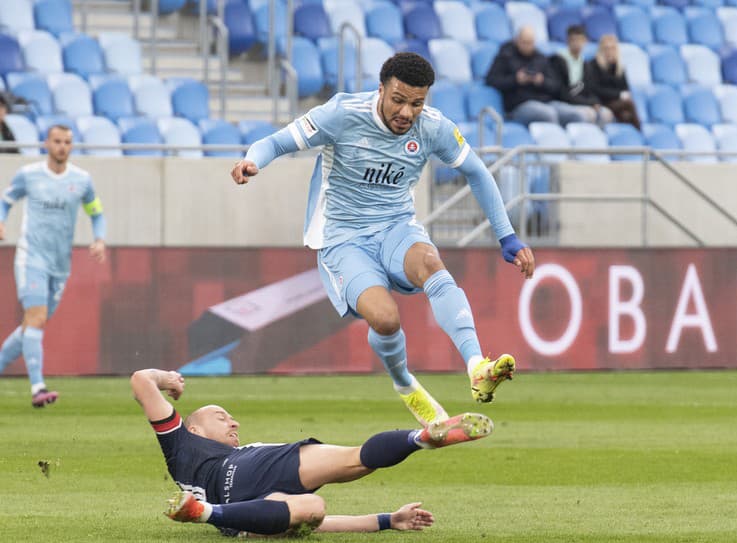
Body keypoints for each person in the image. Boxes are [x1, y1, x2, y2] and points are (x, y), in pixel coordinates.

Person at [231, 53, 535, 428]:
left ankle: (476, 366)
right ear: (381, 90)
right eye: (398, 99)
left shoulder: (434, 127)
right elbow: (277, 142)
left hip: (396, 226)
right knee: (386, 319)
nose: (407, 112)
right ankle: (405, 383)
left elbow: (477, 172)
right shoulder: (342, 113)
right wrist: (252, 160)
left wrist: (507, 237)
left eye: (417, 103)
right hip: (342, 238)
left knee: (430, 264)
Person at [131, 368, 491, 537]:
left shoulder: (183, 454)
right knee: (355, 458)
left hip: (243, 510)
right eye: (221, 417)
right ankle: (418, 437)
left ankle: (423, 437)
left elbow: (319, 526)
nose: (234, 422)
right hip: (249, 469)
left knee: (312, 512)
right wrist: (170, 379)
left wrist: (385, 520)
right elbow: (140, 381)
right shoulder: (179, 440)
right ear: (193, 428)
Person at [0, 125, 106, 407]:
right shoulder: (29, 175)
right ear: (46, 143)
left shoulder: (82, 180)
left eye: (67, 142)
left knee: (33, 324)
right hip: (30, 257)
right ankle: (38, 388)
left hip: (60, 264)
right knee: (35, 317)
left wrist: (99, 239)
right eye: (57, 141)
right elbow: (5, 201)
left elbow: (96, 213)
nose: (62, 146)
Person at [486, 26, 599, 126]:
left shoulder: (541, 58)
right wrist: (516, 79)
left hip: (546, 102)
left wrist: (541, 81)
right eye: (524, 42)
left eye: (530, 42)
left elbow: (556, 86)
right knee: (548, 114)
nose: (527, 46)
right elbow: (491, 80)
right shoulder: (506, 56)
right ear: (517, 41)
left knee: (577, 115)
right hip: (519, 105)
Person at [550, 25, 613, 127]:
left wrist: (595, 102)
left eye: (580, 40)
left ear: (585, 41)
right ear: (568, 41)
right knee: (588, 114)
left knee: (606, 113)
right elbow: (562, 93)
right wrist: (589, 104)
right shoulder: (557, 60)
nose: (577, 44)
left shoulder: (585, 65)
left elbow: (591, 89)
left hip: (581, 101)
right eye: (574, 40)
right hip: (562, 102)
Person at [587, 34, 641, 129]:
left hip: (617, 104)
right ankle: (640, 130)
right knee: (629, 103)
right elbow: (596, 89)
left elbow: (625, 88)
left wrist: (621, 95)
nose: (609, 51)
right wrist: (619, 95)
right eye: (606, 48)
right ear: (601, 49)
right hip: (602, 102)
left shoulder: (619, 67)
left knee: (626, 116)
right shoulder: (593, 65)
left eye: (612, 48)